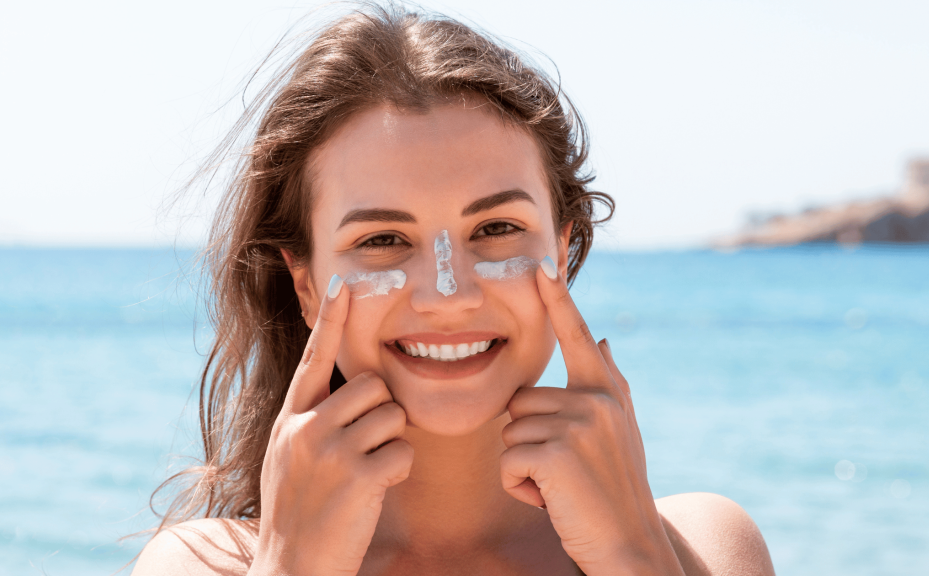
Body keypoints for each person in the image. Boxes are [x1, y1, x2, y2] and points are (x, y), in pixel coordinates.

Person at [132, 4, 775, 574]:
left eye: (496, 227)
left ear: (561, 249)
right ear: (304, 284)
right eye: (382, 239)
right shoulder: (202, 566)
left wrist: (633, 556)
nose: (448, 294)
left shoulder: (707, 548)